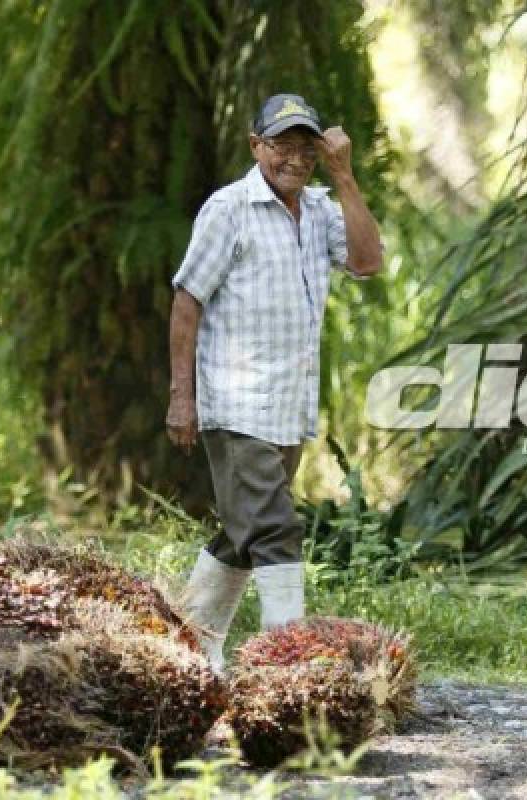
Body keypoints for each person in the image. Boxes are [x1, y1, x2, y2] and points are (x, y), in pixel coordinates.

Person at [166, 93, 383, 671]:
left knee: (243, 533)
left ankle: (188, 648)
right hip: (237, 402)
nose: (293, 158)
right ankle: (288, 668)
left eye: (304, 147)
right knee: (274, 528)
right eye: (280, 144)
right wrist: (181, 398)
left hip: (287, 406)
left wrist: (344, 176)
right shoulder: (229, 208)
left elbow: (367, 262)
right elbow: (187, 301)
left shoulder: (317, 210)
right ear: (255, 144)